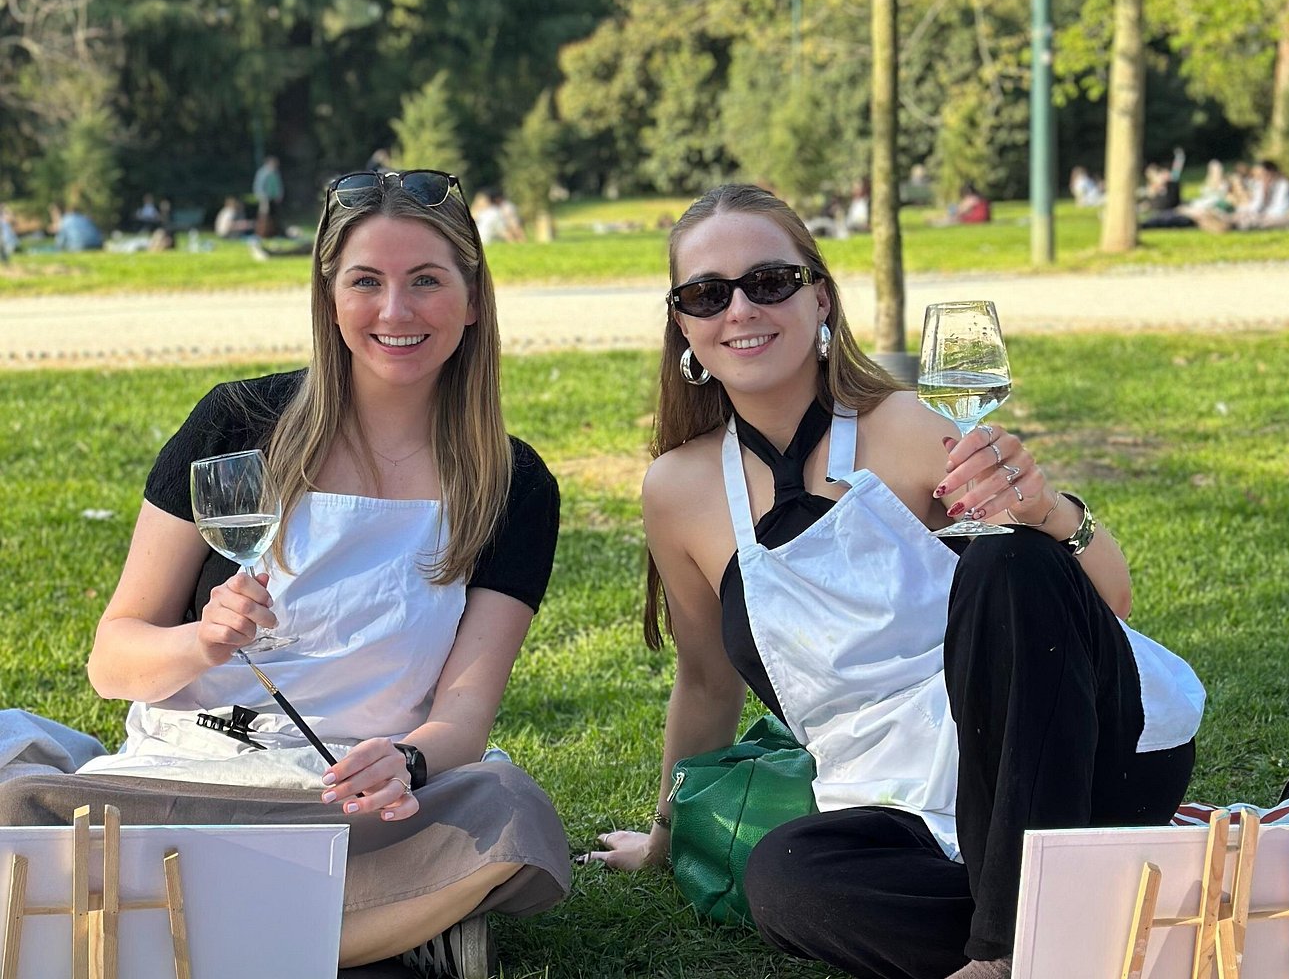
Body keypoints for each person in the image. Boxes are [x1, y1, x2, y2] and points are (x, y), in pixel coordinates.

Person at [587, 184, 1205, 979]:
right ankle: (1084, 922)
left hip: (1071, 761)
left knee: (1008, 556)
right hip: (904, 805)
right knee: (785, 881)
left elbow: (1100, 601)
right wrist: (666, 840)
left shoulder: (907, 426)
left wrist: (1049, 511)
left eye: (768, 282)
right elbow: (706, 682)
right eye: (708, 293)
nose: (740, 309)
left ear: (819, 298)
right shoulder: (677, 492)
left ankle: (1008, 952)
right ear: (684, 325)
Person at [0, 167, 570, 978]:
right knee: (15, 800)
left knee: (507, 813)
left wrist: (406, 761)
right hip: (177, 783)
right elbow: (112, 658)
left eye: (426, 282)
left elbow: (465, 716)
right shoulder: (237, 425)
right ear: (329, 297)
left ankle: (146, 932)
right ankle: (376, 933)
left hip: (349, 808)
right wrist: (203, 641)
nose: (395, 311)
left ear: (472, 299)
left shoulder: (512, 483)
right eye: (366, 281)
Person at [252, 154, 285, 238]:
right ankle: (261, 233)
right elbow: (258, 185)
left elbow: (279, 185)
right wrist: (261, 196)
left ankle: (272, 233)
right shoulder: (262, 172)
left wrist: (279, 195)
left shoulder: (275, 173)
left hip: (274, 198)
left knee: (274, 216)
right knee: (264, 215)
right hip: (265, 198)